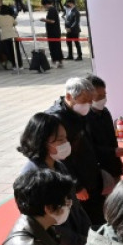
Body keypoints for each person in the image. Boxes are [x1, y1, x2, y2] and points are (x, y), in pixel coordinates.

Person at [18, 112, 93, 245]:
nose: (65, 144)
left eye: (65, 138)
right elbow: (47, 224)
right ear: (41, 141)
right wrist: (77, 244)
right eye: (59, 140)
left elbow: (75, 207)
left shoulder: (59, 165)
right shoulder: (33, 176)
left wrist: (87, 237)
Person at [46, 77, 106, 226]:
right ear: (68, 97)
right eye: (84, 100)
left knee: (99, 216)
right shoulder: (56, 120)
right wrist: (77, 186)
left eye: (90, 100)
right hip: (75, 182)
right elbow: (61, 158)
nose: (88, 104)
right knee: (86, 222)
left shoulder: (79, 113)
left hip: (90, 174)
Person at [85, 75, 123, 196]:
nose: (103, 99)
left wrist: (118, 162)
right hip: (99, 172)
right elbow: (90, 147)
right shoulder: (85, 118)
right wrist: (112, 152)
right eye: (99, 97)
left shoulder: (105, 112)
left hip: (113, 166)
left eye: (104, 95)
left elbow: (112, 140)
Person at [40, 0, 63, 69]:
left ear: (46, 4)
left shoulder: (51, 10)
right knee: (57, 46)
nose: (44, 7)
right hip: (55, 31)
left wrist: (44, 20)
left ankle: (55, 61)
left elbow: (52, 21)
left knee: (53, 47)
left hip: (53, 32)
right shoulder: (53, 9)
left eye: (44, 6)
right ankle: (60, 61)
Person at [0, 4, 21, 69]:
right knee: (16, 51)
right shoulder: (11, 17)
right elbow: (15, 23)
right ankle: (20, 65)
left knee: (9, 52)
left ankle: (13, 65)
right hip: (13, 35)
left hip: (4, 36)